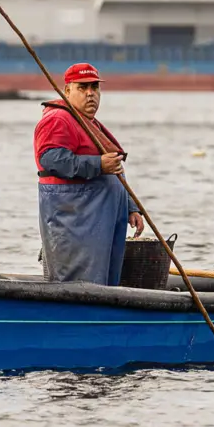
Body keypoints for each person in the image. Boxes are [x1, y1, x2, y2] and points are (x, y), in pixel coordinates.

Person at [34, 62, 144, 285]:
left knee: (105, 279)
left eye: (95, 87)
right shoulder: (58, 119)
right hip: (76, 220)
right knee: (79, 279)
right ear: (67, 91)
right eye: (82, 88)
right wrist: (98, 164)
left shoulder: (88, 122)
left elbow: (114, 168)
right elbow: (51, 159)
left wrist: (130, 206)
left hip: (102, 218)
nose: (90, 94)